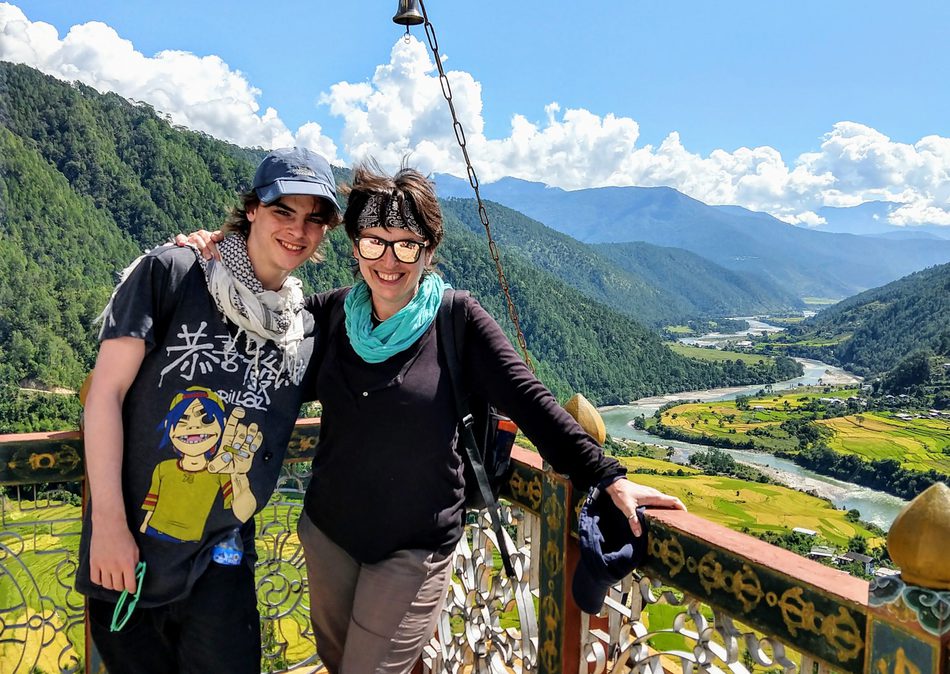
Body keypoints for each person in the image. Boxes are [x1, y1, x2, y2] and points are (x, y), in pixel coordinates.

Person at [183, 160, 685, 674]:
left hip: (415, 548)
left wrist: (605, 475)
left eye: (407, 244)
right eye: (375, 241)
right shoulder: (329, 317)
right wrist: (215, 261)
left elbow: (530, 400)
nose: (389, 259)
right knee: (339, 662)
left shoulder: (457, 320)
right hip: (328, 535)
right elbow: (250, 331)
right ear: (355, 245)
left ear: (428, 249)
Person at [76, 147, 341, 674]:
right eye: (283, 211)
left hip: (223, 563)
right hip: (127, 553)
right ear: (252, 211)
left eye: (314, 219)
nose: (297, 230)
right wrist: (108, 527)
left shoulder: (303, 329)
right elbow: (103, 394)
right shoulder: (173, 274)